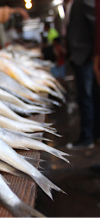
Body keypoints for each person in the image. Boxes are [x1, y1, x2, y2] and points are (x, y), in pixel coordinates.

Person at [65, 0, 100, 149]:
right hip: (80, 58)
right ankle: (93, 135)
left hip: (86, 58)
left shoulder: (83, 1)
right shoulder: (72, 4)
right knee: (88, 97)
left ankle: (87, 137)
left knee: (86, 98)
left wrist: (94, 54)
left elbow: (96, 25)